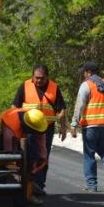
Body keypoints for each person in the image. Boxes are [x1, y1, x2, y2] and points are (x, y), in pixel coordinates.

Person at [10, 66, 67, 196]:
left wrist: (63, 128)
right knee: (28, 155)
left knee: (43, 156)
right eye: (36, 78)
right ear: (32, 76)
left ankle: (39, 185)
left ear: (47, 77)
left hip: (47, 128)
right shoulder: (24, 86)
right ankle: (28, 182)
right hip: (28, 128)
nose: (38, 81)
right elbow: (14, 106)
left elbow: (62, 110)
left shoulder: (54, 88)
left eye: (41, 78)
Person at [69, 62, 104, 192]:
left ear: (89, 72)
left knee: (89, 154)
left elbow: (79, 105)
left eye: (85, 72)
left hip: (91, 126)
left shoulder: (87, 85)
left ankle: (92, 185)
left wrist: (74, 123)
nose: (84, 75)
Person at [0, 106, 51, 203]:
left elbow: (41, 142)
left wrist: (42, 157)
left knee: (32, 155)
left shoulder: (38, 120)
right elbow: (9, 153)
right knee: (13, 157)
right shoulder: (11, 126)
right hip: (8, 124)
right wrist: (16, 171)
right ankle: (12, 187)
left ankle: (29, 189)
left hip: (23, 124)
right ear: (27, 127)